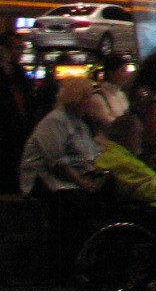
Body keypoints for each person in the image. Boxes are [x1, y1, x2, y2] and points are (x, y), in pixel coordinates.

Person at [18, 77, 101, 275]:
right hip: (44, 179)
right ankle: (64, 263)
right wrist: (81, 182)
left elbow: (89, 154)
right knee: (74, 203)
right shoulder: (55, 121)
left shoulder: (79, 123)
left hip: (70, 177)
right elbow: (57, 162)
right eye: (88, 97)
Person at [94, 113, 156, 213]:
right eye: (139, 134)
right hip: (141, 213)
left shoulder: (113, 154)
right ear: (127, 136)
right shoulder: (121, 161)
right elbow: (148, 188)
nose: (141, 140)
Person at [0, 30, 37, 193]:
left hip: (20, 133)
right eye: (17, 48)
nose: (20, 53)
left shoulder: (20, 74)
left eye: (22, 49)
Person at [84, 54, 132, 131]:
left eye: (127, 71)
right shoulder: (98, 97)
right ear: (111, 73)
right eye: (122, 71)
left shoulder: (122, 94)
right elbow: (109, 124)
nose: (127, 75)